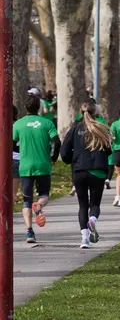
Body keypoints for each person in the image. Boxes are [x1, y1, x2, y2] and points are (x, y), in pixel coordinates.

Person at [62, 102, 113, 248]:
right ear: (95, 112)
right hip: (97, 170)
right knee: (95, 204)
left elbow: (64, 152)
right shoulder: (101, 128)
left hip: (79, 170)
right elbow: (109, 150)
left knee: (82, 205)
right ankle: (93, 220)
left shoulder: (74, 129)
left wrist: (71, 159)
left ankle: (84, 239)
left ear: (80, 111)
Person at [13, 95, 61, 243]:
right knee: (44, 194)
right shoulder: (47, 123)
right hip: (43, 165)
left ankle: (29, 232)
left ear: (25, 107)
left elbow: (11, 143)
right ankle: (39, 205)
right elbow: (57, 143)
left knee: (27, 200)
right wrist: (53, 158)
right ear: (39, 107)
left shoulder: (18, 124)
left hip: (25, 165)